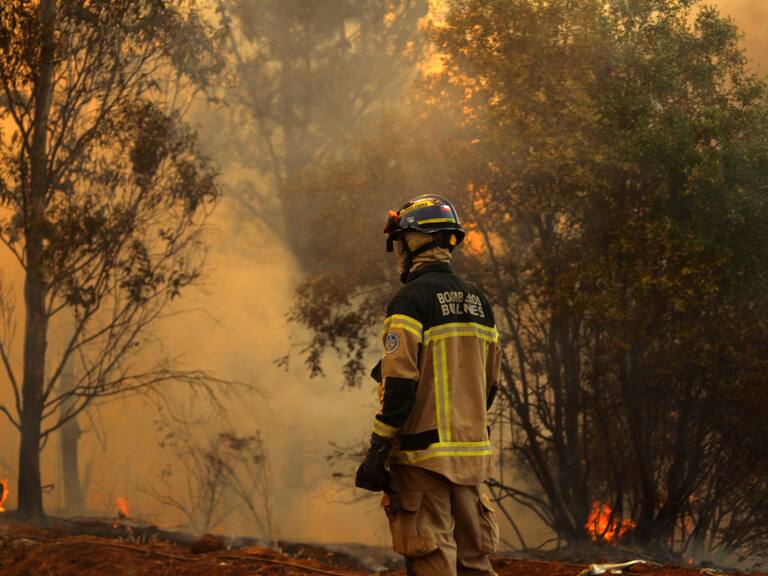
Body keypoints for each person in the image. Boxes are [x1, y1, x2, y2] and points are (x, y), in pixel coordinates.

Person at [355, 194, 501, 576]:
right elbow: (489, 387)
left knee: (431, 556)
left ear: (415, 241)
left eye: (400, 242)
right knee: (475, 560)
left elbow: (400, 386)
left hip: (422, 458)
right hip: (469, 458)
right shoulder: (479, 302)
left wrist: (378, 446)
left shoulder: (410, 299)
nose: (398, 253)